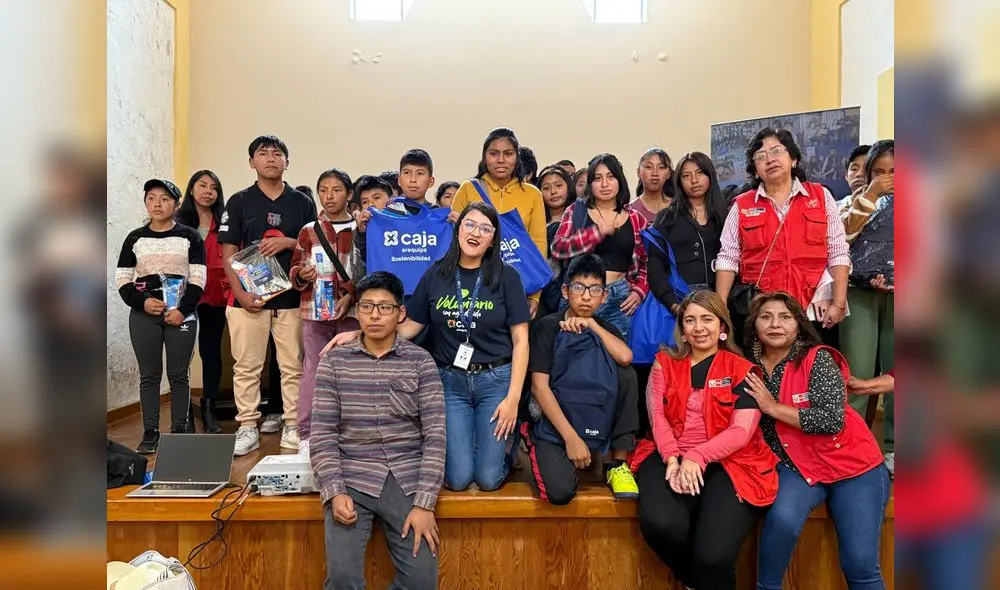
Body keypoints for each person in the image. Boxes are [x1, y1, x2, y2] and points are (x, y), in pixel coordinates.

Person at [324, 203, 530, 491]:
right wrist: (360, 334)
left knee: (487, 479)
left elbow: (521, 340)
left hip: (495, 381)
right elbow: (409, 328)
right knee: (457, 480)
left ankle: (506, 448)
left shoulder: (507, 276)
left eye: (485, 228)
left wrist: (513, 400)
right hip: (451, 381)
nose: (475, 233)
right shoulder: (436, 274)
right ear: (458, 230)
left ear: (493, 238)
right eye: (469, 224)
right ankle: (477, 445)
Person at [742, 292, 890, 590]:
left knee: (860, 565)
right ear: (754, 325)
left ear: (798, 324)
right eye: (766, 317)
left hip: (854, 469)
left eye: (785, 317)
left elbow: (830, 421)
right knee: (781, 524)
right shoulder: (746, 366)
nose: (775, 324)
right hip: (796, 467)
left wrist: (772, 408)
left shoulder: (817, 358)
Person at [631, 291, 776, 590]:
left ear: (723, 328)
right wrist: (672, 457)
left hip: (732, 462)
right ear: (682, 330)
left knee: (714, 557)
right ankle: (696, 580)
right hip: (668, 452)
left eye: (707, 319)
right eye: (690, 320)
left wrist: (698, 455)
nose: (699, 327)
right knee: (661, 524)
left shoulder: (742, 369)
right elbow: (656, 415)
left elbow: (741, 431)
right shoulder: (664, 363)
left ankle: (704, 574)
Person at [311, 271, 445, 590]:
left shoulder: (421, 362)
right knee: (343, 580)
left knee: (422, 582)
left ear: (400, 314)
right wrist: (335, 489)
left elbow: (436, 437)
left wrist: (425, 503)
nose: (374, 314)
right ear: (356, 311)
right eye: (367, 306)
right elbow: (323, 434)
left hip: (406, 478)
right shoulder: (334, 362)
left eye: (385, 307)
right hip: (352, 477)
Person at [218, 135, 317, 455]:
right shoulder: (239, 201)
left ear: (287, 162)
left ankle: (292, 423)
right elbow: (228, 251)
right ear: (252, 162)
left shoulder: (301, 202)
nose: (271, 158)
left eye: (278, 154)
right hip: (249, 300)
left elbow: (312, 246)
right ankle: (247, 425)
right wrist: (239, 293)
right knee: (246, 365)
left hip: (291, 298)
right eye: (263, 154)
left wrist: (289, 243)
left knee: (293, 364)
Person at [524, 254, 640, 503]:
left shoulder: (605, 327)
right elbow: (538, 386)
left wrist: (591, 325)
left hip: (595, 415)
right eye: (579, 288)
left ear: (604, 296)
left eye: (595, 289)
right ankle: (540, 441)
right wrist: (572, 439)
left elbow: (626, 357)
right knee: (559, 492)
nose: (586, 296)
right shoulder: (548, 326)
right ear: (566, 291)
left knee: (627, 375)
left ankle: (617, 464)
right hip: (558, 426)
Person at [715, 128, 851, 332]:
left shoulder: (820, 196)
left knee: (812, 363)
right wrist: (721, 310)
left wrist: (838, 302)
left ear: (793, 159)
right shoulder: (741, 206)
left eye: (776, 151)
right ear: (755, 170)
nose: (770, 159)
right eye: (760, 157)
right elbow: (727, 258)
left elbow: (838, 252)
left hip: (813, 308)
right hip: (762, 313)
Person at [115, 179, 206, 453]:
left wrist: (182, 310)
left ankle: (179, 430)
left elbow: (199, 278)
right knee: (149, 375)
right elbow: (122, 279)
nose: (157, 203)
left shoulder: (190, 237)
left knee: (179, 375)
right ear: (145, 202)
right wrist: (143, 302)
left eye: (165, 198)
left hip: (181, 313)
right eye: (152, 198)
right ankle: (150, 431)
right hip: (144, 314)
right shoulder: (135, 238)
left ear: (176, 205)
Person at [289, 168, 360, 454]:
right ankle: (306, 434)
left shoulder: (361, 229)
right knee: (313, 370)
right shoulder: (309, 230)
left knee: (350, 372)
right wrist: (302, 274)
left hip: (352, 311)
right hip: (315, 310)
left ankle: (348, 434)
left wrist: (351, 294)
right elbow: (295, 265)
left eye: (337, 190)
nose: (329, 196)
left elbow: (366, 270)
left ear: (349, 194)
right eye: (323, 190)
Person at [450, 127, 548, 317]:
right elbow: (453, 242)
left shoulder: (532, 194)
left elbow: (538, 244)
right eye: (494, 154)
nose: (501, 160)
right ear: (485, 157)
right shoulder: (468, 188)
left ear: (517, 157)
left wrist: (535, 295)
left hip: (518, 286)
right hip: (473, 284)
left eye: (508, 154)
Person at [551, 153, 648, 341]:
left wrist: (639, 290)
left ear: (620, 181)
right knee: (572, 354)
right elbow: (558, 248)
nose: (604, 184)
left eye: (610, 177)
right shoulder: (576, 211)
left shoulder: (636, 218)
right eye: (597, 178)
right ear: (590, 184)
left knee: (617, 358)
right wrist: (596, 233)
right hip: (579, 295)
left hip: (619, 296)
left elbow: (647, 262)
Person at [840, 139, 895, 459]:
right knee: (857, 371)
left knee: (901, 371)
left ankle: (895, 448)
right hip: (859, 294)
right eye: (879, 172)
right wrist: (871, 195)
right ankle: (853, 446)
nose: (887, 178)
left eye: (894, 172)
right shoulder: (854, 201)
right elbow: (843, 237)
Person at [175, 170, 228, 434]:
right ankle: (183, 413)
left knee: (211, 353)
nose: (208, 191)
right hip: (182, 297)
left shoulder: (225, 222)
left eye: (214, 187)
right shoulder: (178, 221)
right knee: (181, 356)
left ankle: (209, 410)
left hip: (215, 297)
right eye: (202, 185)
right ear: (192, 189)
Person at [648, 152, 727, 313]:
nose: (694, 180)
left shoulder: (725, 216)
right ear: (679, 181)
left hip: (719, 299)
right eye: (686, 176)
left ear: (710, 175)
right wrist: (673, 305)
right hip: (678, 299)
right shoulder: (666, 217)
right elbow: (654, 266)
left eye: (699, 173)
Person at [349, 174, 394, 281]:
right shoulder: (359, 232)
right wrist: (362, 234)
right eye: (365, 202)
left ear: (392, 201)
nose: (371, 205)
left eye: (377, 198)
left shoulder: (405, 226)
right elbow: (358, 277)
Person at [631, 148, 674, 224]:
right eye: (649, 167)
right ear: (638, 172)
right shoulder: (630, 210)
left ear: (669, 174)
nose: (655, 173)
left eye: (661, 167)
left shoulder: (678, 207)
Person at [537, 165, 574, 253]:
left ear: (568, 186)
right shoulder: (535, 220)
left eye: (558, 185)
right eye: (546, 188)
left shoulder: (579, 215)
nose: (553, 191)